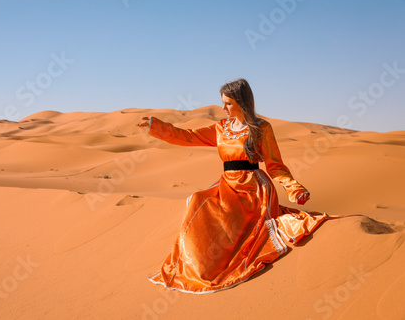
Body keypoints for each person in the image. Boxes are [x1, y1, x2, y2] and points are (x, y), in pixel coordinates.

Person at [136, 78, 330, 294]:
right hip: (227, 184)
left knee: (236, 223)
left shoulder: (261, 128)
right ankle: (198, 265)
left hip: (253, 188)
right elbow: (189, 137)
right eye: (223, 103)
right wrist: (159, 127)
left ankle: (223, 262)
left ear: (241, 102)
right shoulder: (221, 127)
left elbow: (275, 165)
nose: (223, 108)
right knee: (198, 200)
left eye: (228, 103)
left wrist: (293, 187)